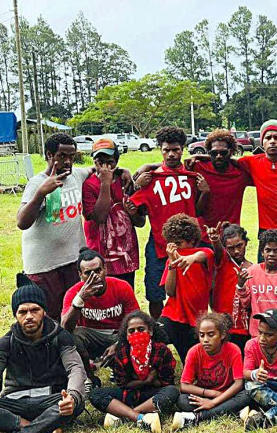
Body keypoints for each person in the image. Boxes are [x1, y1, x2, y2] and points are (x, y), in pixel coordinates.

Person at [0, 284, 86, 433]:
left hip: (49, 401)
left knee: (77, 403)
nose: (29, 316)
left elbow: (76, 369)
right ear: (15, 315)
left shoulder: (61, 337)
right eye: (22, 312)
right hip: (15, 404)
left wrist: (72, 396)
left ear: (44, 311)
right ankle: (44, 430)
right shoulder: (5, 343)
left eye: (35, 310)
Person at [126, 126, 210, 318]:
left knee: (190, 290)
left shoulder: (192, 176)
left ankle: (190, 327)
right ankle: (158, 329)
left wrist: (205, 192)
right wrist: (137, 187)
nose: (171, 154)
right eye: (167, 150)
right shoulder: (150, 179)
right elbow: (137, 214)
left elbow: (197, 211)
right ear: (160, 150)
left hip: (188, 246)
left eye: (176, 150)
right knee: (155, 293)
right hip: (159, 245)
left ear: (183, 149)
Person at [17, 133, 90, 320]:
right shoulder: (37, 183)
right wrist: (41, 192)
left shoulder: (76, 176)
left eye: (72, 156)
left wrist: (124, 170)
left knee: (74, 313)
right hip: (44, 266)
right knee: (49, 318)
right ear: (49, 155)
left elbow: (95, 168)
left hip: (72, 261)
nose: (68, 161)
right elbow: (22, 222)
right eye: (62, 156)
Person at [87, 310, 179, 433]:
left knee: (172, 392)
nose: (136, 333)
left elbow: (167, 383)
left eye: (141, 329)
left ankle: (125, 415)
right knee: (95, 394)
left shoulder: (162, 350)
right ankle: (140, 417)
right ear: (126, 335)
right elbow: (122, 384)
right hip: (129, 395)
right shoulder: (122, 352)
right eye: (131, 331)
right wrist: (145, 381)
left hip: (153, 395)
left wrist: (152, 381)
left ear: (150, 331)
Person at [60, 248, 140, 385]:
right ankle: (88, 378)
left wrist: (119, 344)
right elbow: (65, 327)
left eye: (98, 271)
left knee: (137, 335)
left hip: (117, 335)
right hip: (91, 337)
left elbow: (136, 323)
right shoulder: (73, 293)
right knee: (72, 336)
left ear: (105, 269)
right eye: (88, 273)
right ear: (80, 275)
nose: (94, 276)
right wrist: (80, 300)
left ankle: (119, 370)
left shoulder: (122, 287)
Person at [81, 137, 141, 287]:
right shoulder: (89, 185)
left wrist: (133, 212)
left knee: (125, 290)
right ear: (94, 162)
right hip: (100, 254)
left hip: (125, 254)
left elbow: (140, 222)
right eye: (100, 162)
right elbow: (100, 217)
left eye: (110, 162)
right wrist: (105, 183)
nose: (105, 167)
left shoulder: (125, 181)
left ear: (117, 161)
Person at [172, 312, 250, 429]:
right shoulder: (194, 352)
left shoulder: (233, 350)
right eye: (202, 335)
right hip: (206, 395)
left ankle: (198, 417)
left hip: (227, 394)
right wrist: (212, 394)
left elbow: (238, 383)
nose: (205, 340)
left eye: (211, 335)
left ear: (222, 335)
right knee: (182, 400)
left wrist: (213, 403)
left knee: (247, 394)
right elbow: (184, 386)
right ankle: (232, 410)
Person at [232, 229, 277, 351]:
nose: (271, 254)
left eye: (276, 251)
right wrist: (241, 286)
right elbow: (245, 304)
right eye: (268, 250)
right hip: (257, 334)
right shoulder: (252, 272)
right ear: (262, 252)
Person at [237, 119, 277, 256]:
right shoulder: (252, 162)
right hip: (266, 229)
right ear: (262, 142)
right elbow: (225, 160)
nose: (272, 141)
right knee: (264, 267)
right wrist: (198, 156)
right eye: (268, 138)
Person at [159, 214, 214, 363]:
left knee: (192, 360)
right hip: (172, 315)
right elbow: (169, 291)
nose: (176, 248)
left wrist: (191, 258)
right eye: (172, 244)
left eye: (179, 243)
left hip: (195, 320)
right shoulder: (172, 259)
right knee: (153, 341)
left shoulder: (204, 254)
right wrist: (172, 264)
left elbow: (205, 254)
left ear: (192, 240)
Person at [207, 223, 252, 351]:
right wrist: (215, 240)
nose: (236, 251)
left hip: (244, 327)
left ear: (246, 242)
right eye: (231, 248)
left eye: (239, 246)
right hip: (222, 324)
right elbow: (218, 251)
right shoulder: (223, 261)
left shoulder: (253, 269)